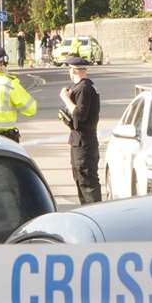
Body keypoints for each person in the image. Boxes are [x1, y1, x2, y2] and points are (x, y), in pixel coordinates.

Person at [59, 60, 101, 203]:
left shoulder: (84, 88)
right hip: (80, 141)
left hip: (84, 143)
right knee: (80, 180)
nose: (69, 72)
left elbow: (79, 115)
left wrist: (66, 99)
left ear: (74, 71)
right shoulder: (81, 88)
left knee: (87, 183)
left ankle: (95, 216)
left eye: (70, 69)